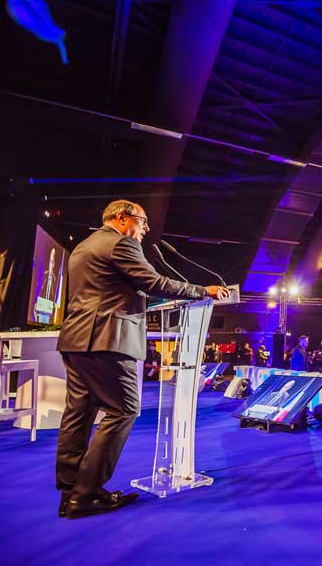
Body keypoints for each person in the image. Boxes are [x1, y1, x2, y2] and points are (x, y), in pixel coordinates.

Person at [55, 200, 229, 519]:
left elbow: (114, 290)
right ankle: (86, 493)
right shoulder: (120, 243)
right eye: (142, 222)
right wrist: (203, 291)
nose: (145, 229)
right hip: (107, 339)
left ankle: (70, 492)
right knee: (123, 409)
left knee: (78, 413)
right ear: (122, 219)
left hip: (76, 338)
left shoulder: (84, 246)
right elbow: (154, 282)